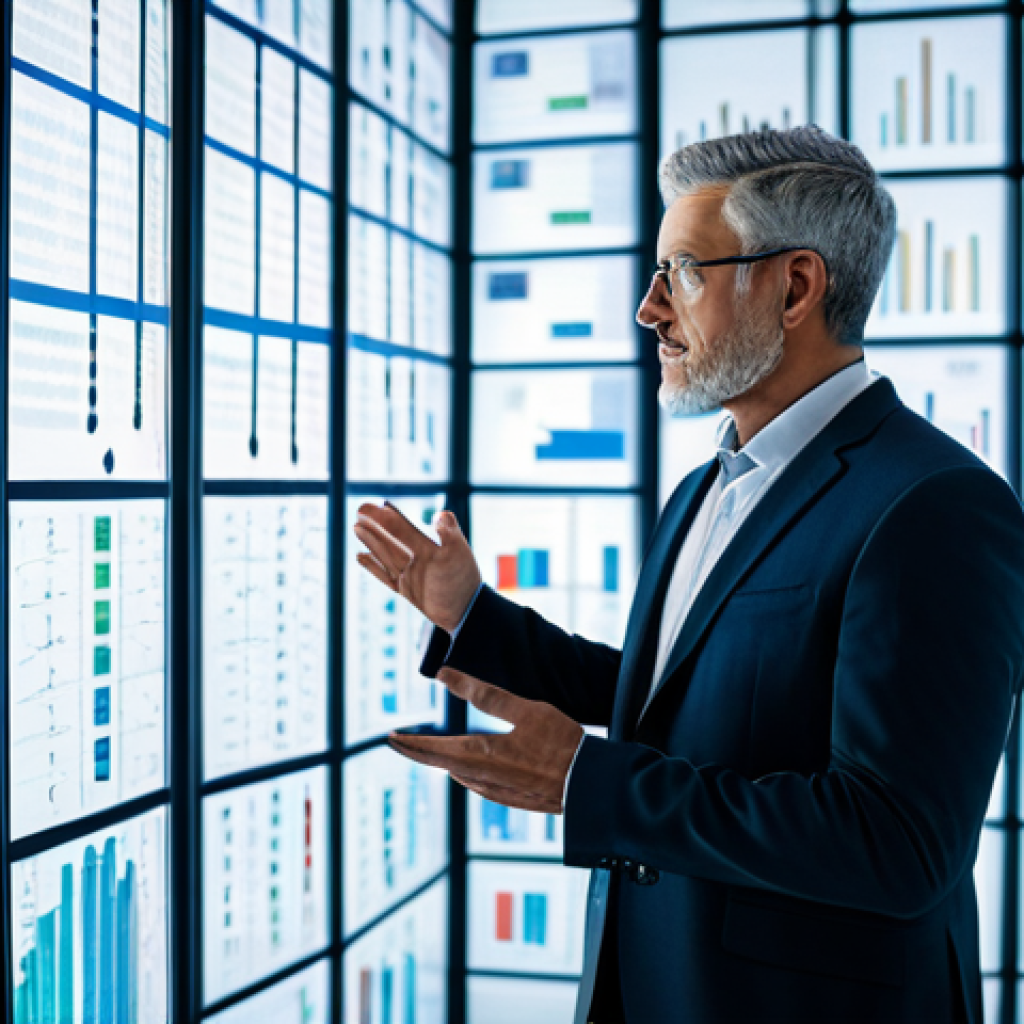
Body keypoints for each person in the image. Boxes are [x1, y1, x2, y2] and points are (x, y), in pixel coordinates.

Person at [353, 125, 1024, 1024]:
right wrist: (476, 619)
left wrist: (587, 782)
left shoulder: (935, 506)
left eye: (683, 272)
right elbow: (676, 699)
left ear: (794, 286)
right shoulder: (705, 485)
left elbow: (895, 843)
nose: (650, 309)